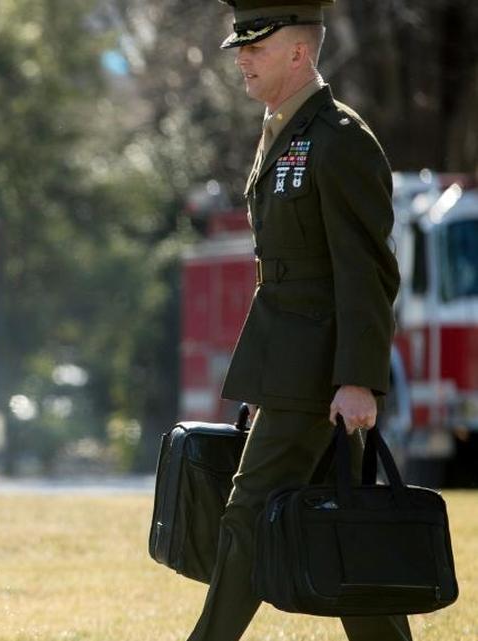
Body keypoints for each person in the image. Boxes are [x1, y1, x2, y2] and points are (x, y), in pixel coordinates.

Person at [187, 2, 409, 640]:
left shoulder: (338, 139)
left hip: (320, 374)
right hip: (289, 368)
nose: (242, 59)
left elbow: (365, 271)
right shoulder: (283, 128)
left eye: (256, 48)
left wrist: (359, 379)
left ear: (298, 53)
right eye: (241, 47)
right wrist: (263, 381)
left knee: (247, 516)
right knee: (339, 531)